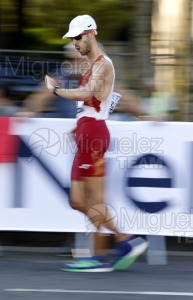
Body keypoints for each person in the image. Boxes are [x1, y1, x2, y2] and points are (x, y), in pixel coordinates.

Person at [45, 14, 148, 272]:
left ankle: (104, 253)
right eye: (72, 39)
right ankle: (124, 242)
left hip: (93, 136)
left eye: (78, 37)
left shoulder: (103, 65)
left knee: (95, 199)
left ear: (91, 34)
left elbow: (86, 94)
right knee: (78, 200)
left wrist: (56, 90)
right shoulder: (93, 65)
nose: (75, 43)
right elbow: (98, 103)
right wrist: (79, 123)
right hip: (87, 132)